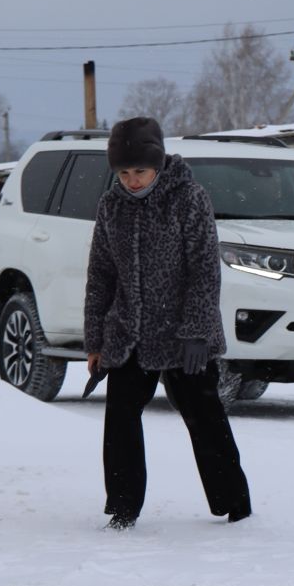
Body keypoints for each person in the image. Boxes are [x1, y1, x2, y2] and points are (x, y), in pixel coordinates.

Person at [84, 116, 252, 530]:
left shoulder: (188, 198)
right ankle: (122, 507)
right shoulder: (111, 206)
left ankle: (234, 504)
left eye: (139, 171)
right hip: (129, 334)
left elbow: (204, 271)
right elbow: (100, 275)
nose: (132, 181)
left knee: (204, 417)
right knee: (121, 419)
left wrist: (196, 332)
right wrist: (96, 341)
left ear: (157, 164)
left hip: (183, 336)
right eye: (123, 173)